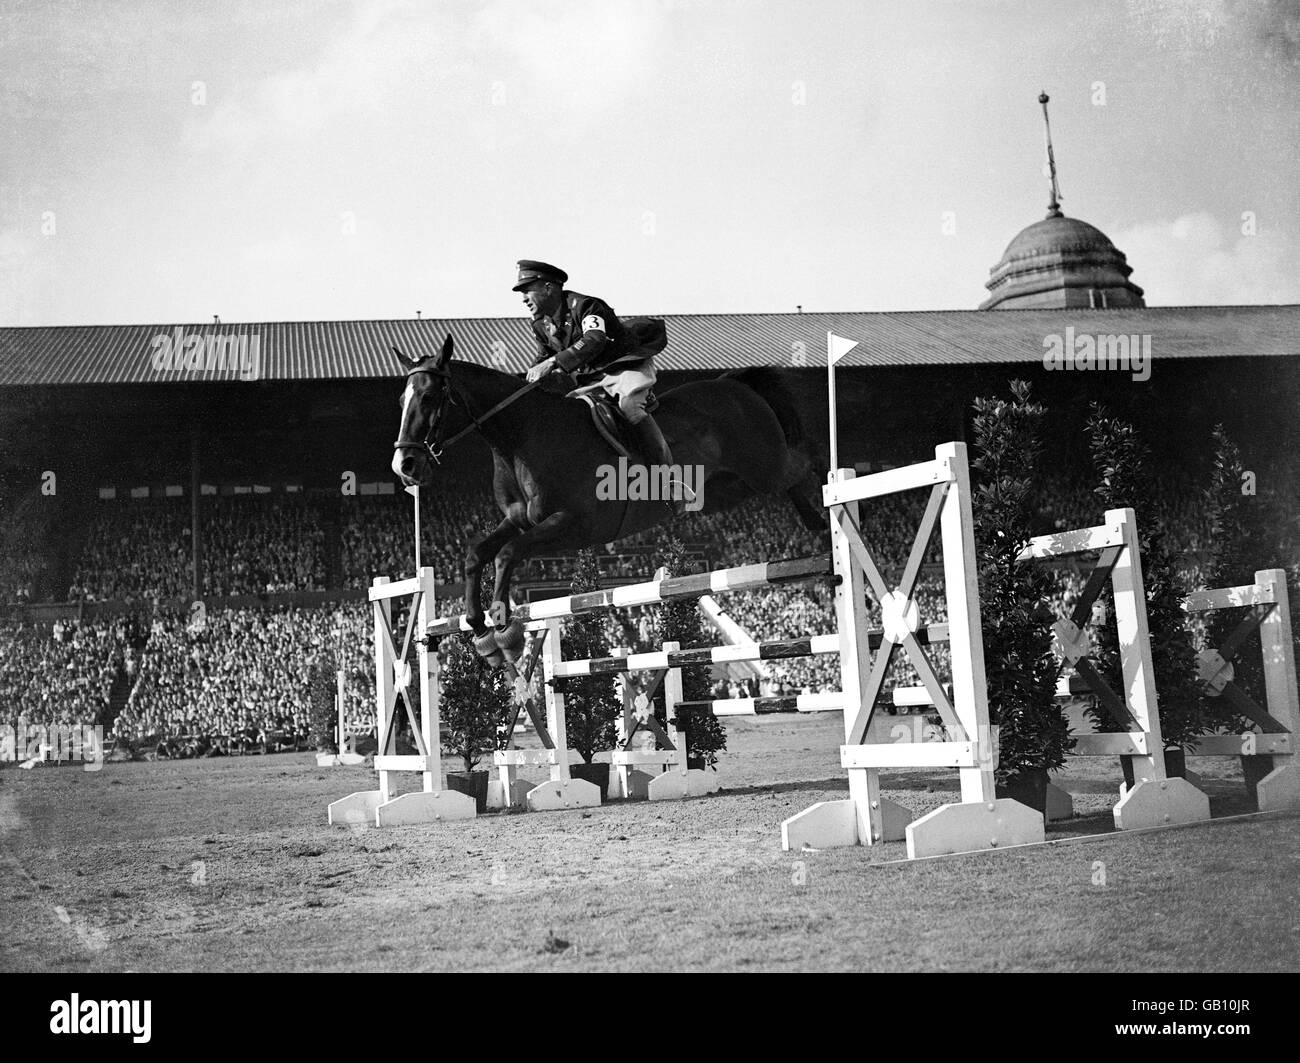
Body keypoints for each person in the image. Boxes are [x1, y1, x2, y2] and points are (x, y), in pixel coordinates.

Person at [515, 260, 686, 513]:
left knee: (630, 406)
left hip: (624, 366)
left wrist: (553, 362)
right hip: (591, 379)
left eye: (528, 290)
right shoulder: (540, 323)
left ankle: (669, 483)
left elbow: (594, 340)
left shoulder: (585, 305)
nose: (524, 298)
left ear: (549, 288)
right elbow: (543, 358)